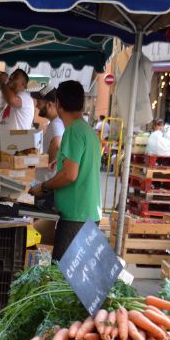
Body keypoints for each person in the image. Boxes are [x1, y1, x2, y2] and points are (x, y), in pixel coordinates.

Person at [28, 80, 100, 260]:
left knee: (64, 274)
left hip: (76, 216)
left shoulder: (73, 131)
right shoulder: (87, 130)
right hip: (87, 213)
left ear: (58, 104)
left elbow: (70, 175)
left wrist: (44, 186)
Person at [0, 67, 34, 135]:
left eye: (15, 77)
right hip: (7, 142)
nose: (11, 78)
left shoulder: (25, 97)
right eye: (11, 76)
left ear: (23, 84)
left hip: (17, 143)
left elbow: (12, 100)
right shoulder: (12, 98)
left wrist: (2, 82)